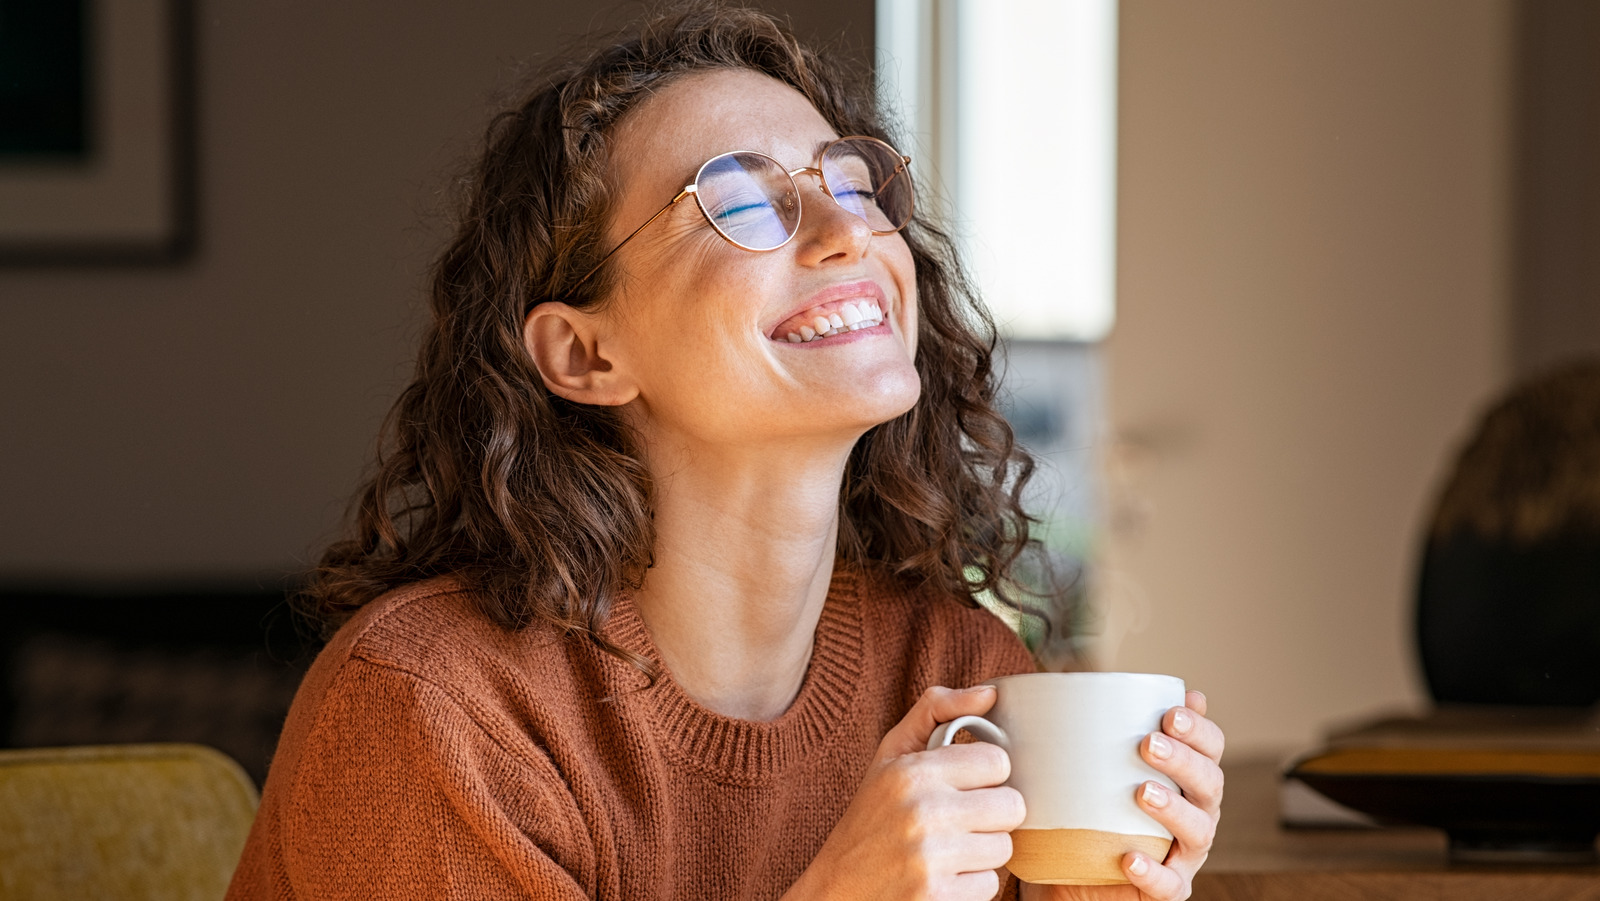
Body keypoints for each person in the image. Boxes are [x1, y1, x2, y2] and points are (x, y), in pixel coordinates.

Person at [226, 6, 1224, 900]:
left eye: (851, 179)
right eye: (739, 201)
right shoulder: (436, 709)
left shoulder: (956, 673)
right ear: (584, 354)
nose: (846, 231)